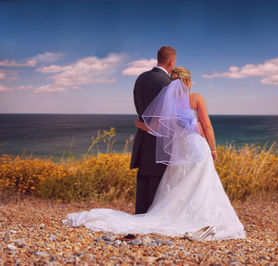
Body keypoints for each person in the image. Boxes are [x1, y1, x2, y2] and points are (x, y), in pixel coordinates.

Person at [62, 66, 246, 241]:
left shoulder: (168, 102)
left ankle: (184, 217)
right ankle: (203, 219)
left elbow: (157, 128)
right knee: (203, 183)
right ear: (188, 81)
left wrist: (139, 124)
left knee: (180, 182)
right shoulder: (196, 98)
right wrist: (213, 149)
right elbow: (206, 126)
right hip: (197, 147)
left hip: (178, 150)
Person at [130, 46, 176, 214]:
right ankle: (153, 220)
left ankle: (140, 217)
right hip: (160, 141)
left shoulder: (140, 78)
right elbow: (167, 117)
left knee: (143, 181)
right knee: (158, 183)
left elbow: (139, 107)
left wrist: (141, 124)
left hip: (142, 138)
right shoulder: (168, 83)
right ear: (171, 61)